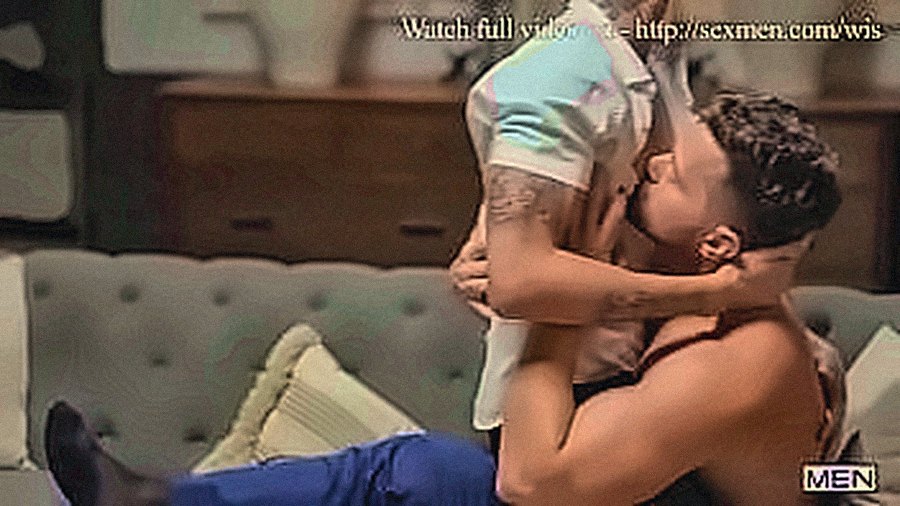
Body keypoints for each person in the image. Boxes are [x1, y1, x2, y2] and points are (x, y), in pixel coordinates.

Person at [45, 84, 848, 505]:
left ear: (719, 243)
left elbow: (530, 483)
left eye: (677, 174)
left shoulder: (739, 358)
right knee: (415, 472)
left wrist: (550, 298)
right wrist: (510, 271)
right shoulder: (678, 267)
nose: (654, 163)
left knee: (422, 472)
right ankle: (157, 502)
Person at [451, 0, 813, 463]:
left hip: (633, 369)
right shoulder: (563, 78)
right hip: (561, 396)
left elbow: (721, 208)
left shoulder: (655, 55)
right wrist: (720, 293)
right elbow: (521, 284)